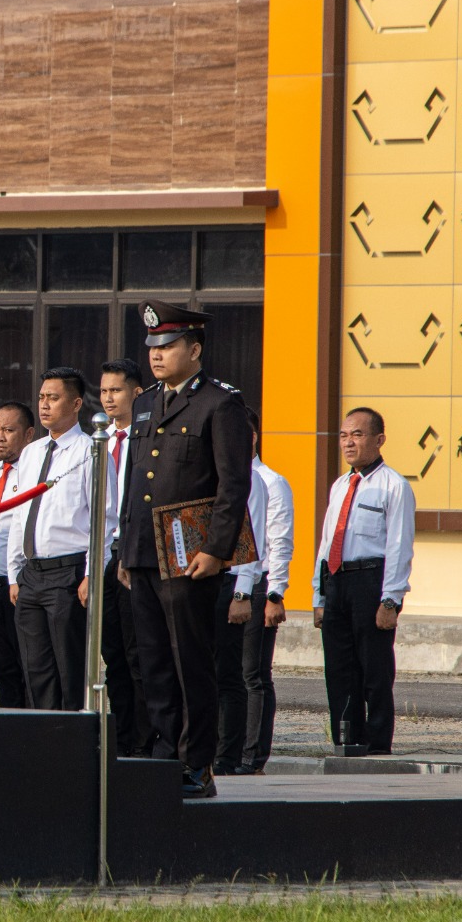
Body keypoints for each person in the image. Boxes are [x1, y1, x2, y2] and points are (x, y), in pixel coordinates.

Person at [118, 301, 253, 799]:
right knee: (152, 661)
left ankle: (198, 763)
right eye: (153, 347)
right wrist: (129, 553)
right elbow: (137, 481)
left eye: (168, 346)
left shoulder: (220, 404)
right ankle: (164, 757)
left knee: (189, 660)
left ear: (194, 350)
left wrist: (217, 550)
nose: (157, 356)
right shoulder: (147, 403)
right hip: (146, 554)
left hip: (190, 554)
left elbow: (232, 486)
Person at [7, 369, 113, 711]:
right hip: (32, 574)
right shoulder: (32, 452)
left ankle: (72, 744)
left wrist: (91, 574)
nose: (44, 405)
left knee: (70, 668)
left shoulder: (91, 451)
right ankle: (44, 742)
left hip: (69, 571)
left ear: (76, 403)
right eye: (41, 397)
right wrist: (14, 573)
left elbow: (105, 517)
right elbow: (19, 514)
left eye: (53, 398)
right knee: (36, 669)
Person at [314, 407, 414, 756]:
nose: (348, 442)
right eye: (343, 435)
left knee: (374, 669)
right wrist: (319, 592)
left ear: (379, 439)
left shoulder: (394, 486)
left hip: (371, 581)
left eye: (357, 435)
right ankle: (346, 739)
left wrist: (391, 601)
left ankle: (377, 744)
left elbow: (399, 546)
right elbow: (327, 540)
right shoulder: (341, 485)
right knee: (339, 669)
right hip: (338, 581)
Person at [97, 360, 153, 755]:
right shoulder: (96, 442)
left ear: (136, 392)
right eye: (103, 392)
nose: (108, 398)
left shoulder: (148, 437)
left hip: (133, 553)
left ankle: (145, 741)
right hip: (102, 554)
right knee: (111, 653)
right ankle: (121, 738)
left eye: (115, 390)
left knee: (138, 654)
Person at [236, 407, 292, 774]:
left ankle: (252, 755)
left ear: (253, 436)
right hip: (227, 583)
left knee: (253, 674)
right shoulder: (223, 477)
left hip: (258, 585)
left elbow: (279, 540)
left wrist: (275, 593)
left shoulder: (271, 481)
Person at [213, 457, 267, 774]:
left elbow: (253, 532)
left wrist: (242, 593)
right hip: (198, 581)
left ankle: (228, 756)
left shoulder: (249, 478)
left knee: (229, 675)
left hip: (231, 581)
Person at [0, 402, 33, 709]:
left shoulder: (32, 474)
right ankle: (8, 725)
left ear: (28, 434)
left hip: (20, 583)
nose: (0, 437)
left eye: (9, 431)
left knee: (26, 664)